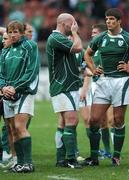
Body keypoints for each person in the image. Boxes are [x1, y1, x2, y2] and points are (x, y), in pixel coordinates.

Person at [83, 8, 129, 166]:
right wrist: (94, 68)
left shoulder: (126, 38)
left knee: (118, 119)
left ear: (119, 21)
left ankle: (116, 156)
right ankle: (94, 157)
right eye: (107, 19)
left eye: (111, 19)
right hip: (103, 81)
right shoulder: (100, 38)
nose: (108, 21)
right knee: (94, 120)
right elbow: (87, 54)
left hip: (121, 82)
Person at [0, 20, 40, 173]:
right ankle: (19, 163)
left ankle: (28, 163)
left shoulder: (30, 46)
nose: (12, 35)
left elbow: (31, 72)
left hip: (24, 92)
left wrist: (15, 87)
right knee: (12, 129)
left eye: (16, 32)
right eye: (10, 32)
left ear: (22, 33)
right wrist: (4, 87)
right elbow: (1, 73)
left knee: (19, 127)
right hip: (8, 94)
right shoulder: (5, 51)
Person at [46, 13, 83, 168]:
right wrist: (75, 34)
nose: (74, 25)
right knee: (71, 121)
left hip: (68, 85)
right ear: (63, 24)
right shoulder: (55, 38)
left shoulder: (61, 39)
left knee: (63, 123)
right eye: (72, 23)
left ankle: (61, 159)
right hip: (63, 86)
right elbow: (78, 48)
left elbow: (77, 56)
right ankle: (71, 159)